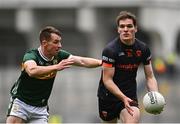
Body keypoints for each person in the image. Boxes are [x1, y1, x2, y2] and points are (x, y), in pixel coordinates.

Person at [6, 26, 102, 123]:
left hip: (40, 108)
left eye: (60, 42)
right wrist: (56, 67)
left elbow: (82, 61)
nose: (60, 45)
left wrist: (102, 62)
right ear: (44, 43)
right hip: (21, 103)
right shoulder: (31, 55)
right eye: (56, 42)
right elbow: (32, 71)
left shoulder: (59, 55)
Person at [97, 11, 160, 123]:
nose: (125, 29)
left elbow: (150, 77)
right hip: (108, 97)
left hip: (129, 95)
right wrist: (122, 97)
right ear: (118, 30)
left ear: (135, 29)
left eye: (129, 26)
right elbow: (107, 80)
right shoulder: (110, 50)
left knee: (133, 119)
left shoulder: (143, 49)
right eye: (122, 26)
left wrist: (156, 96)